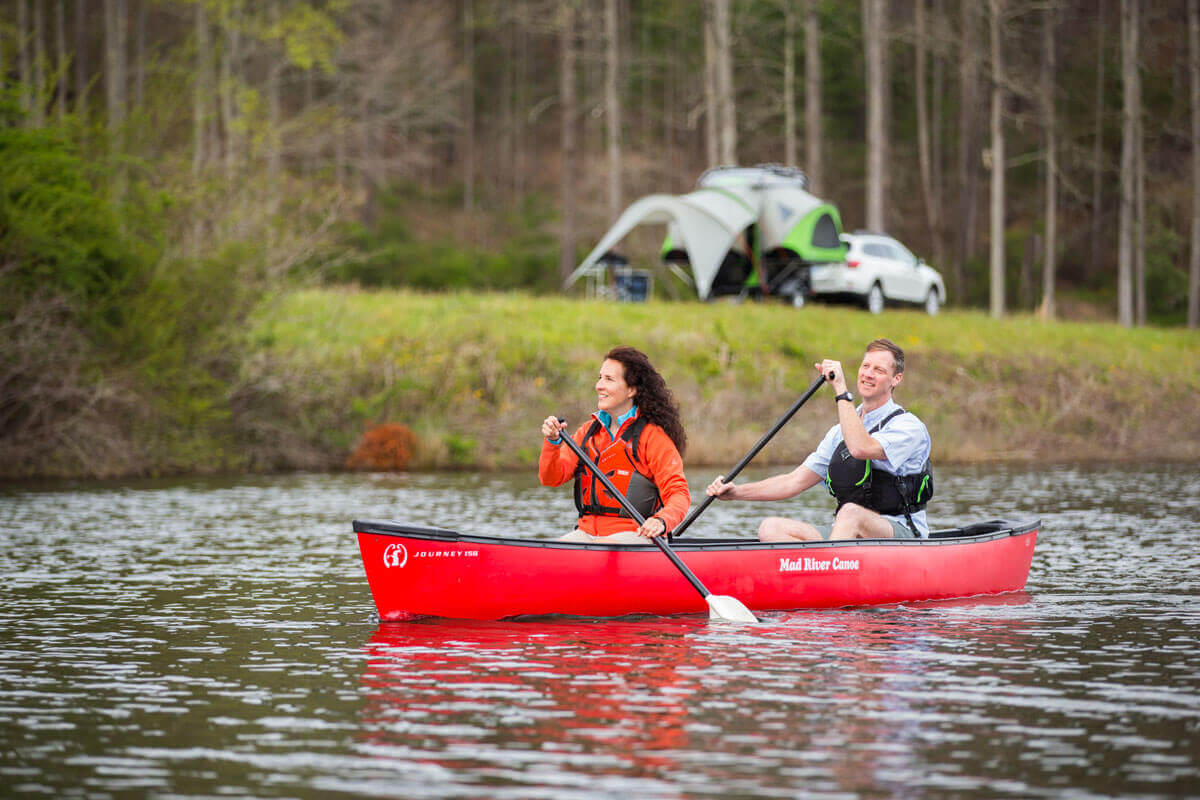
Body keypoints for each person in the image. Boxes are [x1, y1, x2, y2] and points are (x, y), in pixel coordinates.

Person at [706, 338, 933, 540]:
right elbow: (793, 482)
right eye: (865, 366)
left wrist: (841, 390)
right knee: (771, 528)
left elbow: (860, 448)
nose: (868, 374)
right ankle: (815, 577)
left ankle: (832, 573)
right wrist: (736, 493)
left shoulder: (908, 427)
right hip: (847, 533)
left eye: (879, 370)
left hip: (901, 534)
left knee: (851, 513)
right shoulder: (838, 433)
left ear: (896, 379)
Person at [540, 346, 691, 544]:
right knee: (555, 550)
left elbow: (678, 494)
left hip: (637, 535)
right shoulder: (587, 433)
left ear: (632, 389)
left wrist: (661, 521)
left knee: (600, 549)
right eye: (599, 378)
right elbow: (551, 478)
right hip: (586, 533)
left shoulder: (653, 437)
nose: (599, 386)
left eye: (609, 379)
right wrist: (552, 442)